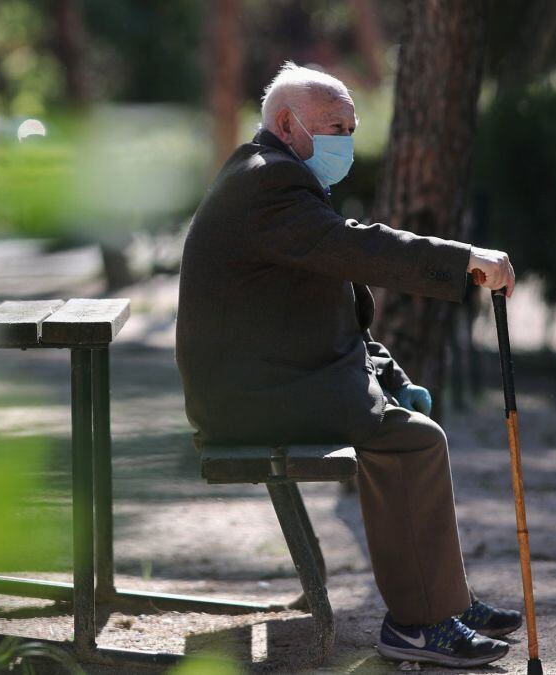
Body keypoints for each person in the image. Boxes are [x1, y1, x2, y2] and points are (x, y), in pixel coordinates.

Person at [175, 62, 520, 668]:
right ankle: (419, 624)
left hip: (266, 381)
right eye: (335, 126)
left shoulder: (268, 173)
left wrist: (387, 372)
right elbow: (357, 247)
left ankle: (444, 603)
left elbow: (327, 306)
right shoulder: (270, 185)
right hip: (250, 397)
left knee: (407, 433)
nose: (347, 142)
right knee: (413, 442)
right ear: (287, 124)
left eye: (351, 127)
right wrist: (464, 258)